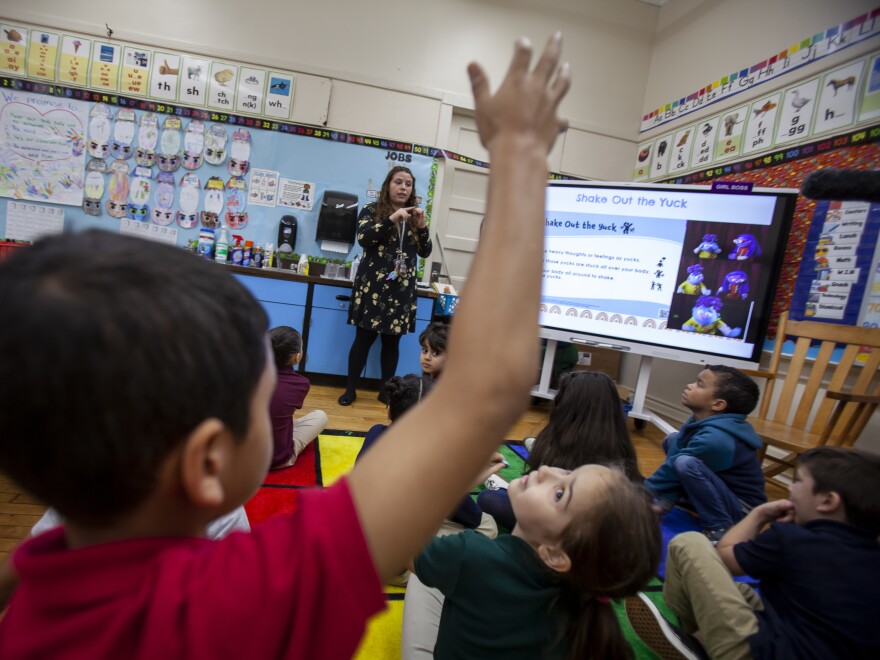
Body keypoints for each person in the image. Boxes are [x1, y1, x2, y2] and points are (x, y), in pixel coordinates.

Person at [0, 33, 571, 657]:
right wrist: (520, 153)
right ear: (208, 460)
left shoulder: (54, 559)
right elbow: (486, 388)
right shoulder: (230, 604)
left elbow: (29, 562)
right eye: (263, 390)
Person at [629, 447, 880, 660]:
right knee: (742, 592)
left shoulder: (792, 540)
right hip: (799, 636)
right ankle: (701, 639)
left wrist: (758, 515)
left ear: (827, 501)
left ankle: (696, 644)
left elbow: (724, 558)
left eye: (799, 481)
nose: (791, 490)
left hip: (761, 653)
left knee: (689, 543)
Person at [411, 464, 661, 659]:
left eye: (560, 493)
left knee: (420, 574)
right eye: (566, 472)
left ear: (555, 555)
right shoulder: (586, 605)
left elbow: (398, 548)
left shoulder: (469, 554)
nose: (545, 471)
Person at [356, 374, 499, 587]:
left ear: (390, 409)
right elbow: (470, 514)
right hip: (396, 564)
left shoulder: (376, 432)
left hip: (358, 544)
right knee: (489, 526)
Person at [477, 369, 642, 530]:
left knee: (490, 498)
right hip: (584, 521)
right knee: (532, 445)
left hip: (565, 529)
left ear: (569, 409)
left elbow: (549, 506)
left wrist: (518, 490)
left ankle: (496, 483)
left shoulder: (571, 460)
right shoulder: (619, 444)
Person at [338, 166, 433, 406]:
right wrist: (392, 219)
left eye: (408, 184)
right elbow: (364, 239)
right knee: (363, 340)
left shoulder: (414, 217)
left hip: (400, 290)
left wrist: (421, 226)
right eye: (398, 182)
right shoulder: (372, 210)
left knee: (392, 343)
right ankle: (350, 389)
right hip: (373, 287)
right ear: (387, 185)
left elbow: (425, 251)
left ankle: (386, 391)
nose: (403, 187)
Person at [645, 365, 766, 543]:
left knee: (686, 463)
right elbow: (675, 455)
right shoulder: (697, 421)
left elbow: (672, 468)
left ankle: (720, 526)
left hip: (741, 510)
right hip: (719, 492)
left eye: (699, 384)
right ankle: (677, 502)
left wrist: (643, 493)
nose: (689, 385)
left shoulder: (716, 440)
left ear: (717, 404)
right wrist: (665, 501)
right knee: (672, 440)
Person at [268, 325, 328, 469]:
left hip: (241, 456)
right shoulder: (300, 384)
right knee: (320, 416)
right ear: (297, 357)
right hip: (276, 459)